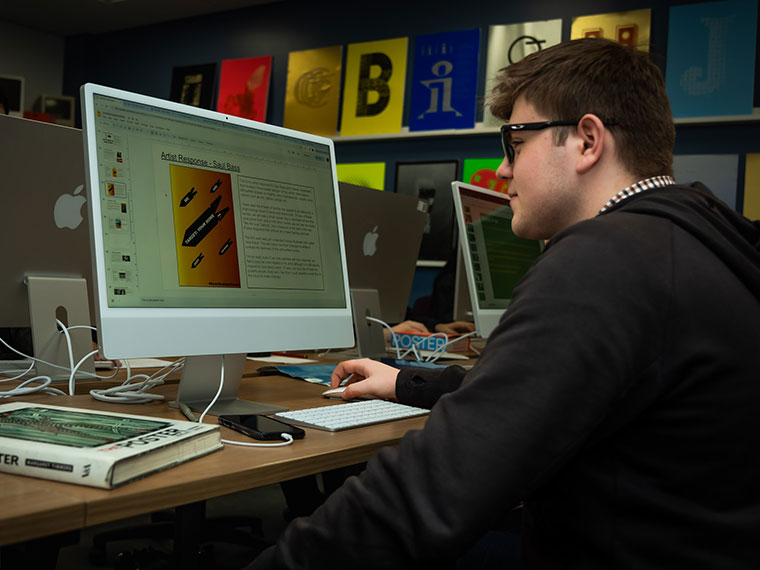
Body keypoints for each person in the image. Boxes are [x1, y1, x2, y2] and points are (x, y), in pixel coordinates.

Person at [245, 38, 760, 569]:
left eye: (515, 143)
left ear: (587, 140)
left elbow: (435, 489)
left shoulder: (604, 259)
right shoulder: (696, 239)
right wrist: (406, 382)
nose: (504, 169)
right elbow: (560, 394)